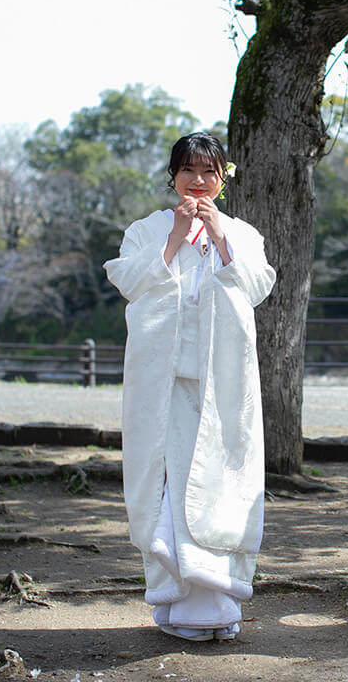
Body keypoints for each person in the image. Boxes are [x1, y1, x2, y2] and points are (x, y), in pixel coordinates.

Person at [104, 132, 276, 642]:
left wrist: (220, 238)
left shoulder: (242, 232)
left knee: (221, 481)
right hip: (167, 386)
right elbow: (129, 282)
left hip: (222, 384)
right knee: (173, 487)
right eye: (188, 171)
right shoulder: (146, 230)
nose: (198, 182)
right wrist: (174, 238)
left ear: (223, 179)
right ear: (173, 175)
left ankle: (219, 604)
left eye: (209, 173)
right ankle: (180, 607)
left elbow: (259, 285)